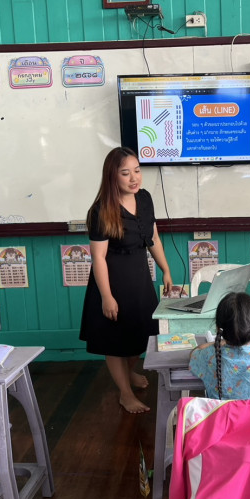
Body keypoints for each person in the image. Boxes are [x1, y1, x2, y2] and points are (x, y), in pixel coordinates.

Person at [79, 147, 172, 414]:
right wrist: (107, 296)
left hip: (139, 279)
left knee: (142, 336)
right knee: (115, 341)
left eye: (137, 170)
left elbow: (153, 238)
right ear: (112, 176)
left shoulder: (145, 198)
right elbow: (98, 258)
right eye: (125, 173)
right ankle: (125, 393)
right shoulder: (101, 210)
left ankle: (128, 373)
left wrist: (165, 269)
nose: (134, 178)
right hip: (112, 281)